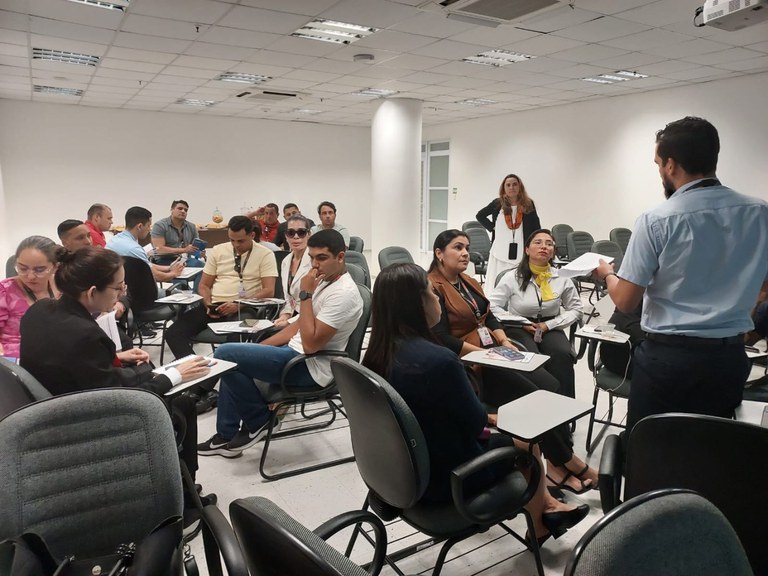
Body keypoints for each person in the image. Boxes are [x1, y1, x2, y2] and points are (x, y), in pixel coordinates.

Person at [363, 263, 588, 544]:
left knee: (503, 426)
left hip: (396, 470)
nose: (438, 301)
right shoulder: (439, 361)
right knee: (527, 442)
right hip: (449, 478)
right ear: (417, 304)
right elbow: (476, 426)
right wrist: (490, 421)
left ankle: (550, 508)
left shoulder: (375, 355)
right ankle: (542, 522)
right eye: (432, 294)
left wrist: (487, 418)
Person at [594, 116, 768, 433]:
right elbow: (764, 287)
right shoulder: (759, 213)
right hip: (728, 360)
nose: (660, 170)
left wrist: (607, 274)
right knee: (709, 453)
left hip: (669, 362)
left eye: (659, 163)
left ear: (671, 165)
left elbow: (626, 301)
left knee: (653, 454)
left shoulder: (657, 219)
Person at [18, 246, 214, 516]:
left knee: (146, 368)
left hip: (56, 404)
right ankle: (186, 499)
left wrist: (118, 356)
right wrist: (175, 374)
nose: (122, 294)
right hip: (87, 420)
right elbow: (119, 395)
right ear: (91, 292)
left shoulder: (40, 312)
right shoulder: (85, 333)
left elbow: (71, 362)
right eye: (118, 288)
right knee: (183, 403)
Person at [429, 229, 598, 492]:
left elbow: (489, 316)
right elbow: (440, 337)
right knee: (539, 396)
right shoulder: (433, 287)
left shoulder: (468, 281)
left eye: (466, 247)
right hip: (473, 365)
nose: (465, 253)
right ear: (439, 254)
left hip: (494, 352)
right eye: (457, 248)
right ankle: (566, 462)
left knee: (550, 385)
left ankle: (556, 463)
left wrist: (505, 342)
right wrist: (482, 352)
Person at [197, 229, 363, 457]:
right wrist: (257, 351)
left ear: (341, 257)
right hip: (292, 354)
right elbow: (294, 327)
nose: (315, 265)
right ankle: (226, 434)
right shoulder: (324, 281)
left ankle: (259, 420)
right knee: (232, 359)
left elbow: (311, 345)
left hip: (309, 367)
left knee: (226, 353)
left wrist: (305, 295)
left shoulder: (343, 293)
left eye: (322, 258)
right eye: (312, 258)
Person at [165, 215, 277, 360]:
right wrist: (208, 304)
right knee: (173, 333)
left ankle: (210, 378)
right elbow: (204, 285)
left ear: (252, 235)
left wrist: (239, 304)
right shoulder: (218, 251)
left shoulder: (265, 254)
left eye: (241, 241)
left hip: (246, 308)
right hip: (215, 306)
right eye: (232, 240)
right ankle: (197, 368)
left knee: (234, 344)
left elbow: (269, 290)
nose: (236, 245)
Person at [489, 229, 583, 398]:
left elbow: (576, 309)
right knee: (530, 358)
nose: (544, 247)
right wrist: (521, 322)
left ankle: (564, 412)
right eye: (538, 242)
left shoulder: (562, 278)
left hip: (550, 325)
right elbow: (492, 307)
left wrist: (550, 325)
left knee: (562, 355)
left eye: (549, 244)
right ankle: (533, 407)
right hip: (519, 327)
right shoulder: (512, 277)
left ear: (553, 251)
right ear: (527, 249)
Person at [0, 236, 60, 358]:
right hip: (16, 362)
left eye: (39, 270)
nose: (30, 276)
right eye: (22, 268)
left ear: (54, 266)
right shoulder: (4, 291)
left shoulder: (64, 287)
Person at [476, 174, 541, 284]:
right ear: (504, 188)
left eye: (515, 184)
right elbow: (480, 215)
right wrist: (492, 227)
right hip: (499, 251)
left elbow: (536, 226)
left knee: (517, 281)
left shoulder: (528, 204)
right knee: (497, 281)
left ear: (520, 187)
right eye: (508, 185)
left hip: (521, 249)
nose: (512, 187)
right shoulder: (497, 203)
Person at [107, 206, 185, 283]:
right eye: (148, 225)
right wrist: (174, 273)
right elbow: (156, 276)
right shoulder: (134, 249)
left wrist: (169, 268)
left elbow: (147, 265)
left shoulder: (114, 240)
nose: (149, 229)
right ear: (140, 226)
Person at [274, 215, 313, 329]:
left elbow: (315, 303)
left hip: (309, 319)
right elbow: (289, 299)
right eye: (291, 233)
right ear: (286, 236)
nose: (296, 237)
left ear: (308, 235)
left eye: (301, 232)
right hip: (293, 316)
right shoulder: (285, 261)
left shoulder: (314, 261)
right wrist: (285, 316)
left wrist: (290, 322)